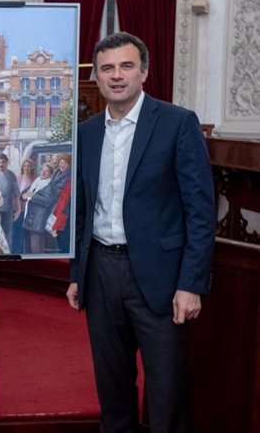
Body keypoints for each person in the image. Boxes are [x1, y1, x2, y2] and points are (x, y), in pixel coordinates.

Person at [66, 32, 216, 432]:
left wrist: (191, 284)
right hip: (100, 271)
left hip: (161, 278)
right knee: (112, 392)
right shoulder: (86, 133)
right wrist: (77, 273)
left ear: (144, 72)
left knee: (166, 396)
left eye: (126, 66)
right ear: (96, 77)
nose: (117, 76)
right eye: (108, 68)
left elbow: (200, 211)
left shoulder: (177, 123)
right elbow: (82, 209)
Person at [21, 162, 55, 253]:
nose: (43, 173)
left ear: (50, 174)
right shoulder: (37, 181)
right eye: (42, 170)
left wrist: (33, 196)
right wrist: (23, 196)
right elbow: (27, 192)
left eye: (46, 172)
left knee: (37, 248)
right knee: (30, 247)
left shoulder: (50, 186)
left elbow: (47, 201)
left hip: (39, 220)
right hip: (31, 219)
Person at [0, 153, 21, 250]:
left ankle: (7, 256)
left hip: (7, 211)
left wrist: (18, 210)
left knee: (8, 236)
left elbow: (16, 194)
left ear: (7, 163)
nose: (1, 164)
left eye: (3, 162)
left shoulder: (11, 175)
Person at [12, 158, 36, 253]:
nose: (26, 168)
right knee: (16, 231)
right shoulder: (17, 178)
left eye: (28, 166)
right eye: (25, 166)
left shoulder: (35, 179)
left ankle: (25, 253)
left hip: (28, 210)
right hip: (16, 209)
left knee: (25, 233)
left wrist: (26, 196)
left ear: (31, 167)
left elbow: (34, 193)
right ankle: (15, 251)